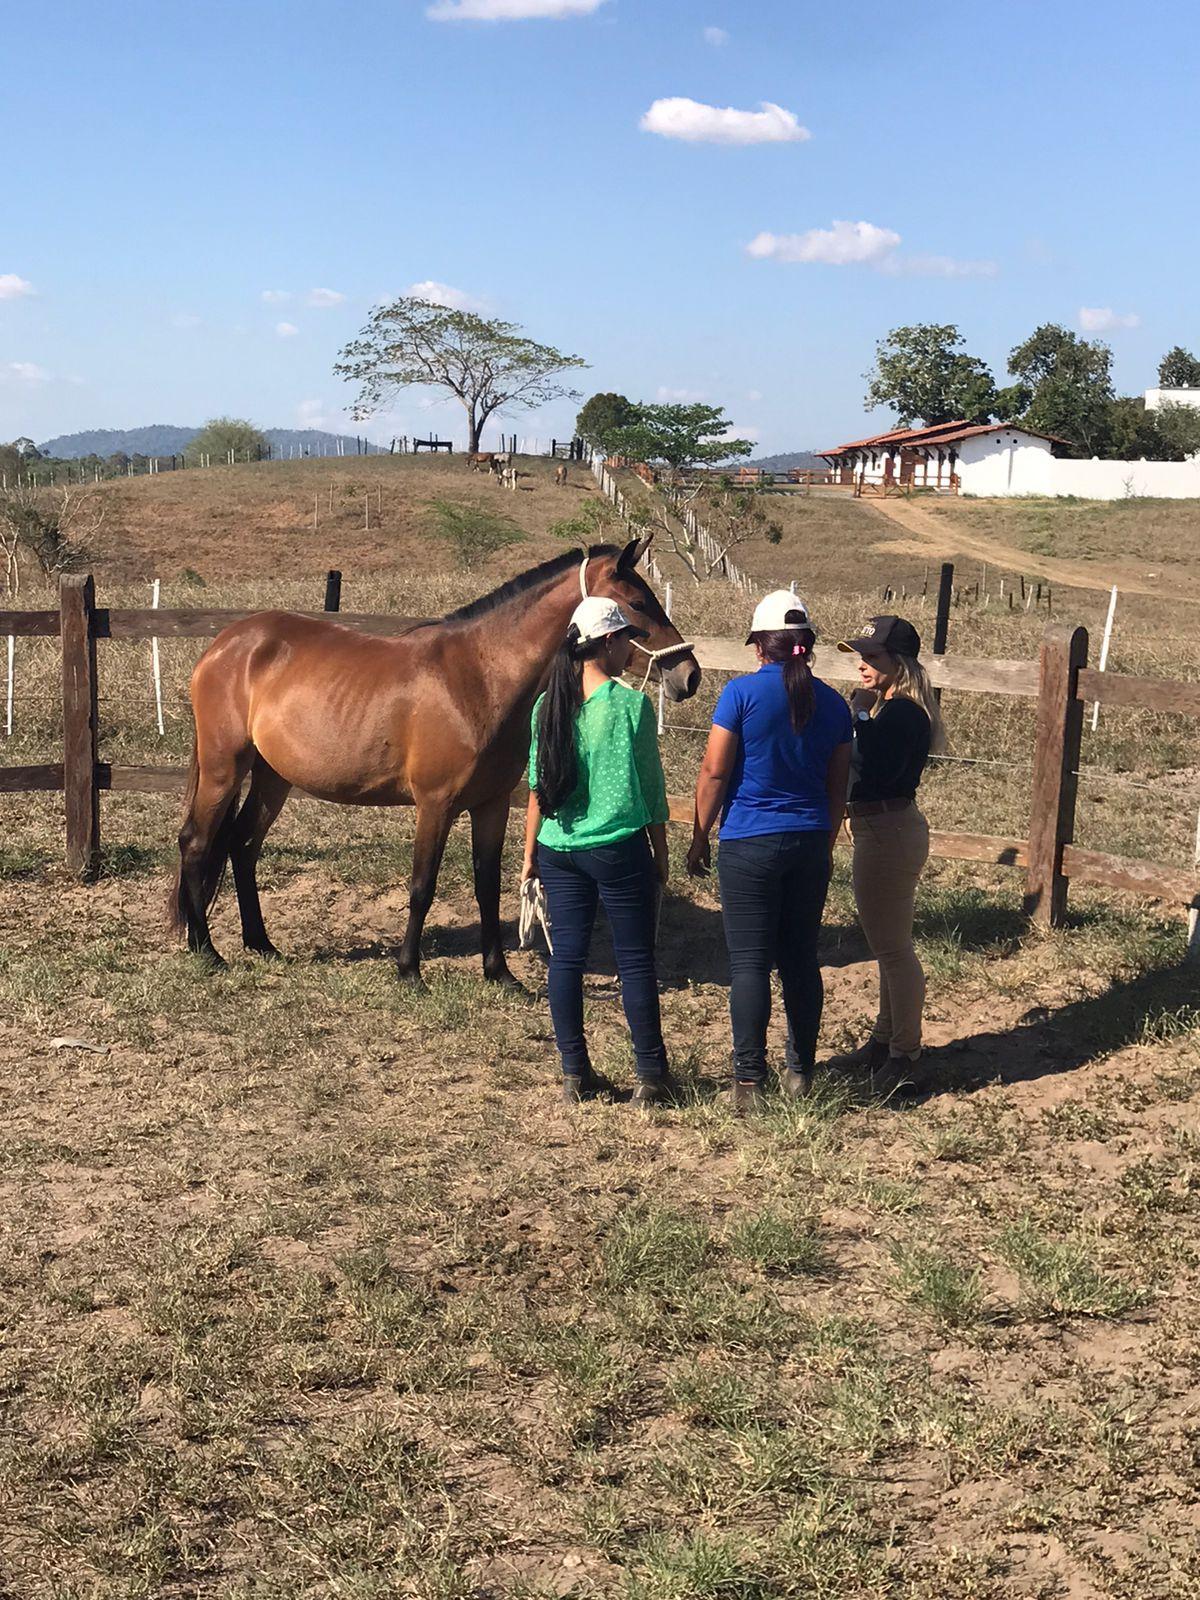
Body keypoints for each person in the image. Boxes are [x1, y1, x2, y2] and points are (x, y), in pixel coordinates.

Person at [688, 591, 852, 1112]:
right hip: (808, 840)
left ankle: (749, 1082)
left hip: (748, 842)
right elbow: (837, 784)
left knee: (750, 965)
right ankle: (800, 1069)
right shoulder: (834, 704)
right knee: (801, 959)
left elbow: (715, 771)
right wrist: (824, 840)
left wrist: (698, 835)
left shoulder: (738, 695)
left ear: (759, 645)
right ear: (808, 645)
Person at [522, 595, 673, 1106]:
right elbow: (650, 789)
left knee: (565, 958)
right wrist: (661, 851)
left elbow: (537, 791)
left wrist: (528, 858)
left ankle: (574, 1072)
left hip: (559, 847)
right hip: (616, 845)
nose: (630, 649)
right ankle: (650, 1074)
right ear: (608, 641)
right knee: (635, 960)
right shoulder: (630, 705)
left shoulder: (548, 705)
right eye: (626, 640)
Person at [834, 614, 947, 1087]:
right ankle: (886, 1041)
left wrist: (858, 713)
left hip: (886, 830)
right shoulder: (899, 708)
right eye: (861, 656)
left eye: (873, 657)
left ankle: (905, 1055)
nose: (862, 665)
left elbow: (872, 759)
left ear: (898, 663)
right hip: (887, 827)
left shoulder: (899, 713)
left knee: (895, 951)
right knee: (888, 946)